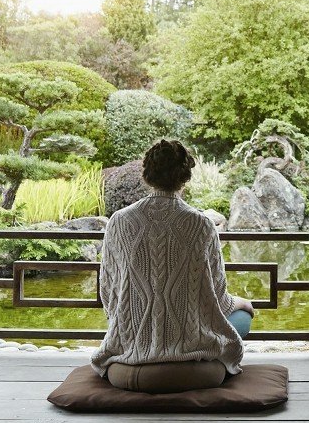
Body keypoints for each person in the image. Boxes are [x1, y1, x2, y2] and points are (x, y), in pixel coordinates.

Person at [91, 139, 254, 377]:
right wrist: (242, 303)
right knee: (242, 316)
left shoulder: (118, 221)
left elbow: (108, 291)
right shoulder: (201, 224)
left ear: (147, 175)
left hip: (132, 346)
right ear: (185, 176)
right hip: (192, 345)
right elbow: (216, 297)